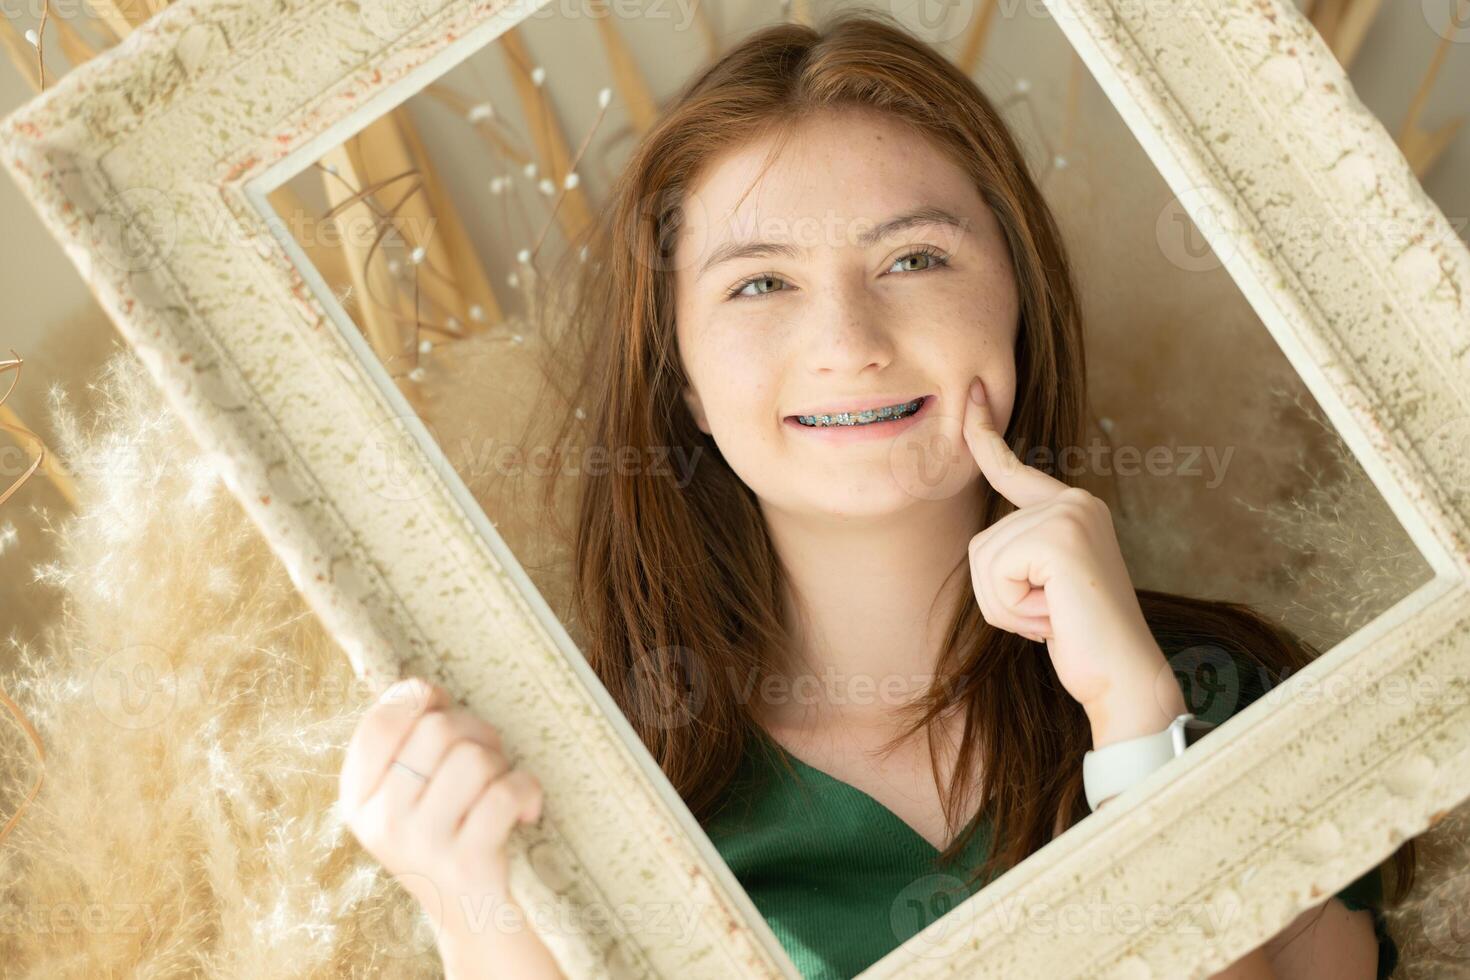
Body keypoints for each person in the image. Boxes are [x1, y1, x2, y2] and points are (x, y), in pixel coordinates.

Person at [337, 10, 1416, 979]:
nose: (850, 343)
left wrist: (1135, 726)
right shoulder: (590, 781)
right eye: (760, 282)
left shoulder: (1228, 693)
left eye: (914, 260)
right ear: (685, 383)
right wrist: (472, 909)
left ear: (1019, 308)